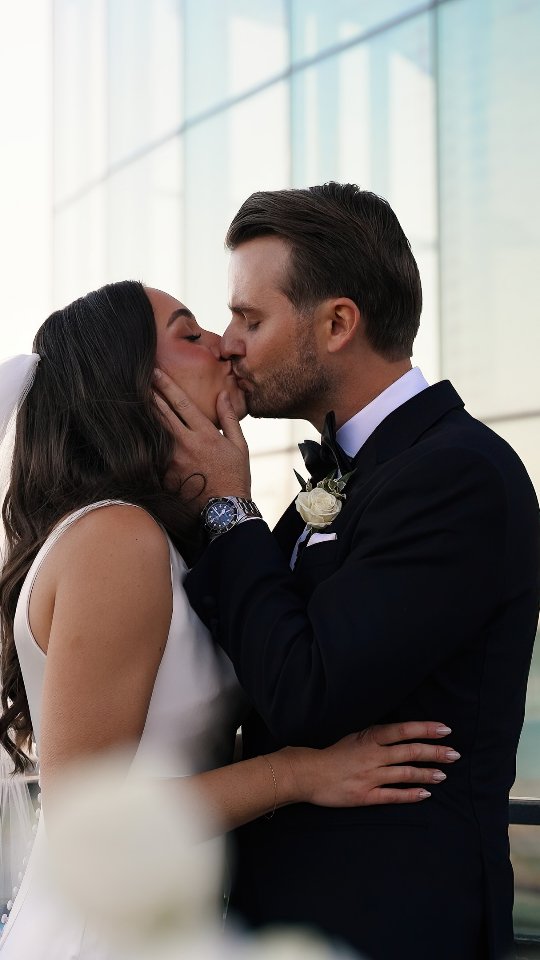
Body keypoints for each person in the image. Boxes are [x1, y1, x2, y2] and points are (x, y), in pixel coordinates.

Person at [0, 280, 456, 960]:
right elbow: (86, 823)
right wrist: (300, 774)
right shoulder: (116, 538)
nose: (224, 344)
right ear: (133, 387)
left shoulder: (159, 538)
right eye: (190, 334)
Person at [154, 184, 540, 960]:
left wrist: (230, 507)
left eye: (250, 319)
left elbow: (305, 691)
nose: (229, 343)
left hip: (389, 928)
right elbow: (249, 640)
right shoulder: (353, 471)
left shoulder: (456, 475)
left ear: (336, 324)